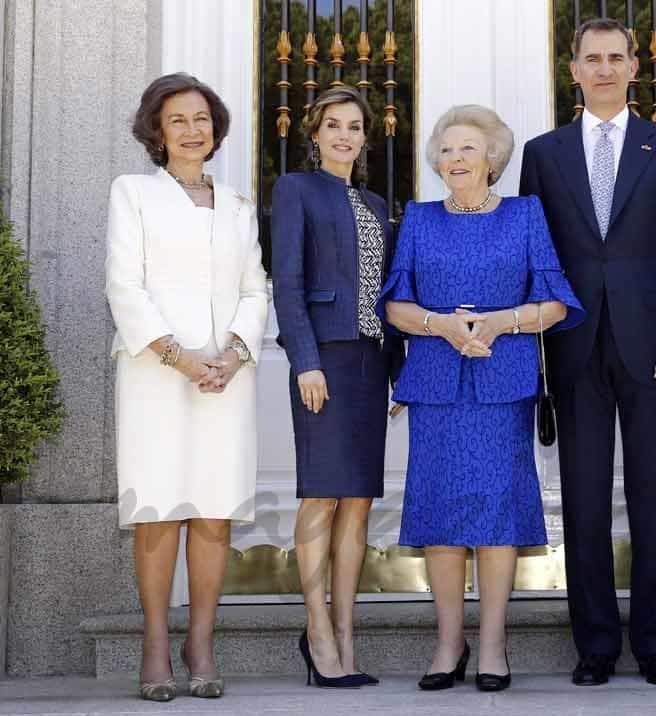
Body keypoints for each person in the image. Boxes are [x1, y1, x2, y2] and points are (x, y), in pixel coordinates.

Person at [519, 18, 656, 687]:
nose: (602, 68)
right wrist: (533, 346)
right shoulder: (543, 154)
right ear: (572, 70)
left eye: (614, 58)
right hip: (572, 345)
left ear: (634, 68)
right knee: (584, 499)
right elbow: (535, 256)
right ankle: (594, 645)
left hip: (653, 346)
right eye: (590, 59)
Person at [379, 104, 584, 693]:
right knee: (441, 515)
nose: (456, 159)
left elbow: (556, 303)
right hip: (438, 386)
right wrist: (441, 326)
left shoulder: (525, 215)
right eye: (446, 150)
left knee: (497, 515)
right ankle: (449, 643)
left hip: (502, 384)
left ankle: (493, 644)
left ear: (493, 158)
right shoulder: (419, 218)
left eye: (468, 148)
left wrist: (500, 322)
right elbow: (394, 305)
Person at [106, 73, 268, 701]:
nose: (192, 130)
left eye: (202, 119)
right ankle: (155, 643)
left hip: (226, 378)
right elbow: (125, 285)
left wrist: (231, 355)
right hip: (156, 373)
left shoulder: (236, 205)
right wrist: (179, 358)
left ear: (216, 128)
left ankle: (200, 642)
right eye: (178, 120)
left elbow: (256, 288)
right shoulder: (133, 194)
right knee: (158, 509)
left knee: (214, 508)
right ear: (156, 130)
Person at [271, 85, 403, 688]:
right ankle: (316, 630)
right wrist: (305, 361)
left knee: (358, 501)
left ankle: (348, 633)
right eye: (333, 126)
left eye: (354, 127)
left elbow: (390, 294)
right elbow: (289, 284)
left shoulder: (376, 203)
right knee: (320, 495)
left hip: (370, 364)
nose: (344, 136)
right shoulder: (296, 190)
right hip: (323, 360)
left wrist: (399, 371)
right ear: (314, 134)